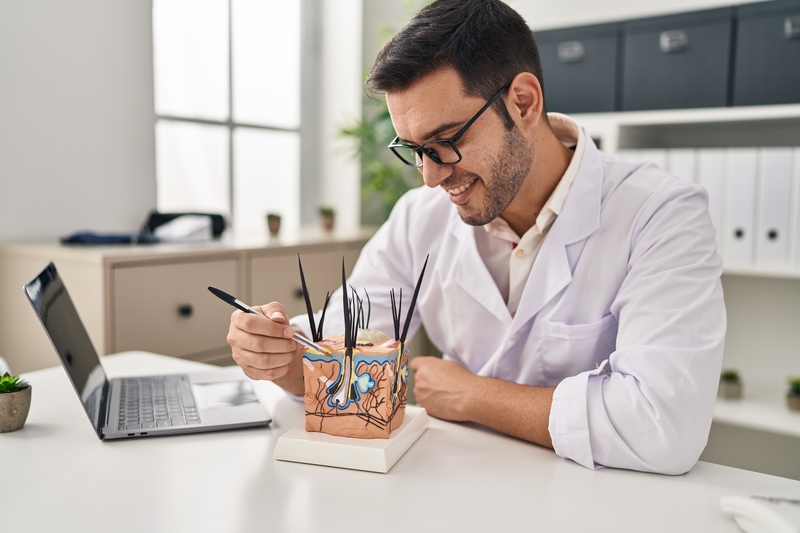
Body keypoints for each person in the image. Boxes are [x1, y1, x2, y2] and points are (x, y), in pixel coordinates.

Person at [227, 0, 726, 475]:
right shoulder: (418, 217)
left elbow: (665, 425)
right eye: (415, 150)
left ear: (523, 102)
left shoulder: (660, 214)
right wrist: (281, 357)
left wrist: (474, 395)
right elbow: (339, 354)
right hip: (461, 484)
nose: (429, 176)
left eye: (446, 142)